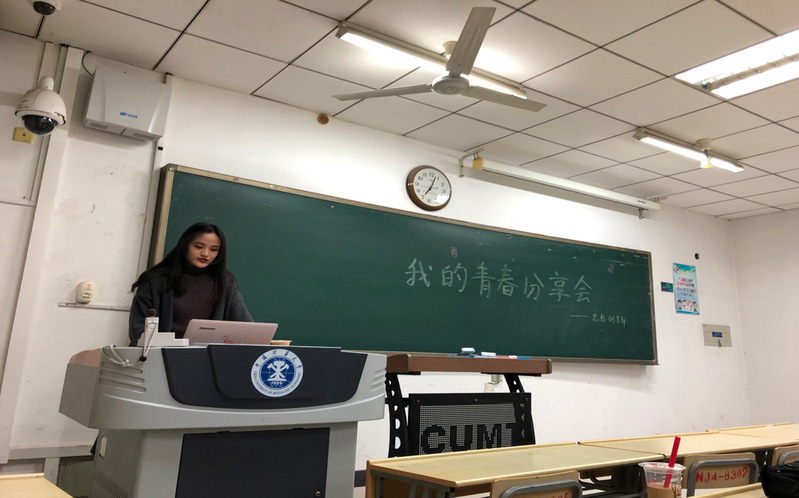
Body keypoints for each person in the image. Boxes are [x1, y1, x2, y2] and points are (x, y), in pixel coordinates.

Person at [128, 222, 252, 346]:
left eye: (213, 249)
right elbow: (138, 331)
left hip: (207, 355)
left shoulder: (225, 282)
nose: (205, 254)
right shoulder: (155, 280)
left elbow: (247, 328)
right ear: (185, 245)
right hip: (160, 353)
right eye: (199, 247)